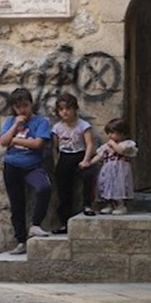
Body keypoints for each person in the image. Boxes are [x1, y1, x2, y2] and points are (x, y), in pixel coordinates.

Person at [0, 87, 53, 255]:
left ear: (31, 104)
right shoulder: (10, 121)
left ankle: (35, 225)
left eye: (26, 105)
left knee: (44, 188)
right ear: (14, 108)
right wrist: (15, 126)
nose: (23, 110)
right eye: (18, 107)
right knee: (17, 204)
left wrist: (13, 140)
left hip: (32, 166)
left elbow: (38, 144)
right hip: (12, 166)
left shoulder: (40, 122)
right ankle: (21, 241)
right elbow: (3, 141)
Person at [50, 93, 97, 232]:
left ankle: (87, 205)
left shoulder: (83, 125)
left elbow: (89, 144)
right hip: (65, 156)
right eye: (61, 109)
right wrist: (56, 162)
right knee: (63, 190)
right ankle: (64, 221)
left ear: (74, 109)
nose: (65, 112)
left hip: (80, 155)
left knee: (88, 176)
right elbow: (55, 147)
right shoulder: (57, 128)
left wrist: (86, 160)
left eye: (68, 108)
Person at [88, 117, 136, 215]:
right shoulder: (106, 146)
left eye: (113, 133)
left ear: (123, 133)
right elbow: (99, 156)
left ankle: (120, 205)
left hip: (120, 170)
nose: (110, 136)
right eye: (109, 133)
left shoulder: (127, 144)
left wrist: (113, 144)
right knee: (107, 186)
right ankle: (109, 205)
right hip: (108, 169)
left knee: (119, 187)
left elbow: (121, 151)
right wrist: (89, 163)